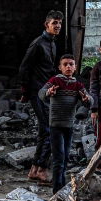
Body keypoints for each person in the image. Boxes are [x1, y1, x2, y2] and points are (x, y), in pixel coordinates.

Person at [20, 10, 63, 184]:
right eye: (54, 23)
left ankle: (34, 169)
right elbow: (24, 68)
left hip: (46, 92)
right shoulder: (37, 44)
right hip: (37, 91)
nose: (58, 26)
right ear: (46, 24)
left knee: (43, 130)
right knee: (48, 129)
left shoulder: (52, 43)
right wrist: (25, 92)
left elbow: (49, 70)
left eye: (59, 23)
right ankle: (42, 168)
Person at [38, 54, 90, 192]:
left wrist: (86, 99)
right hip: (55, 126)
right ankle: (57, 191)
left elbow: (89, 99)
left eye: (71, 64)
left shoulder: (77, 84)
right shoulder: (55, 81)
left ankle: (61, 189)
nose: (68, 67)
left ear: (75, 67)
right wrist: (48, 92)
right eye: (65, 64)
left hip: (69, 126)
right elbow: (41, 93)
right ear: (60, 67)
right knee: (59, 159)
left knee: (65, 158)